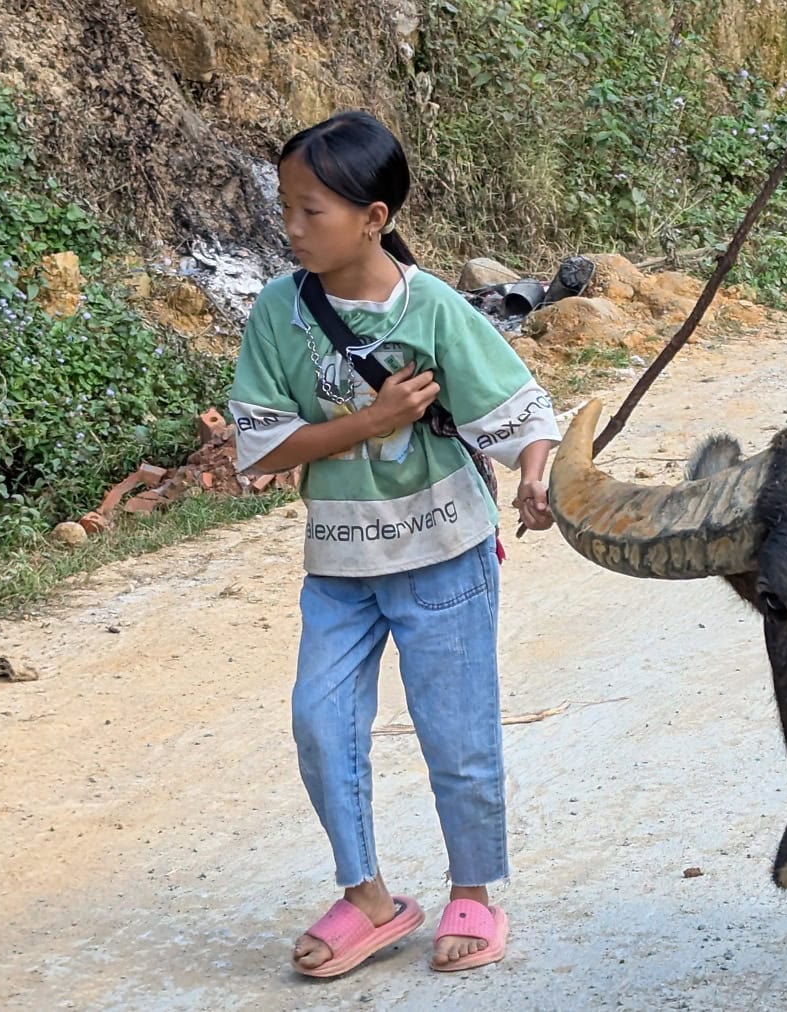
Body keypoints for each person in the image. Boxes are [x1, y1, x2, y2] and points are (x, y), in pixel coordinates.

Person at [227, 109, 560, 979]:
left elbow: (520, 410)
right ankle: (368, 895)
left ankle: (475, 893)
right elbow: (261, 444)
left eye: (312, 212)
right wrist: (369, 422)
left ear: (374, 218)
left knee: (457, 733)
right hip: (340, 564)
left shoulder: (437, 309)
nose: (292, 229)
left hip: (445, 554)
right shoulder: (276, 312)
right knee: (318, 723)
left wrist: (534, 473)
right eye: (287, 209)